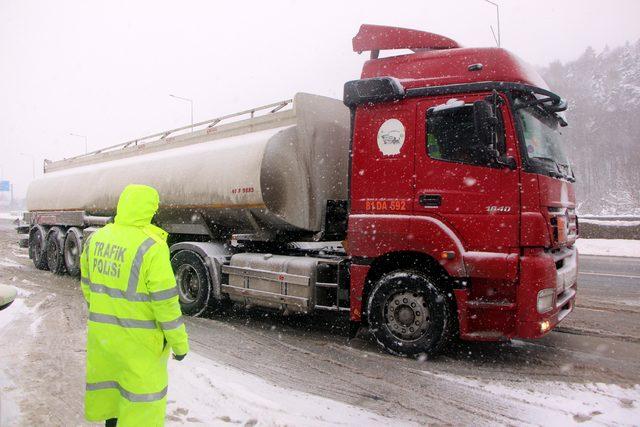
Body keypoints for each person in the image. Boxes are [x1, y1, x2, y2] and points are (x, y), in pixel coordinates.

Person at [80, 184, 189, 426]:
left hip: (104, 340)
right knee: (140, 406)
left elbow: (88, 286)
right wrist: (179, 344)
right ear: (150, 210)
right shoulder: (152, 247)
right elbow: (166, 304)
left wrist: (108, 312)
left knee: (112, 397)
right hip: (140, 347)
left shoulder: (96, 238)